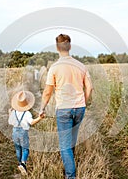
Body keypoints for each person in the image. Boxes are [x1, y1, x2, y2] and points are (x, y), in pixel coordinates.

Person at [40, 34, 93, 179]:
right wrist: (84, 102)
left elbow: (47, 92)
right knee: (72, 140)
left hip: (63, 109)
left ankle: (71, 176)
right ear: (70, 46)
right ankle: (70, 167)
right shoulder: (81, 66)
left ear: (57, 47)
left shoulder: (55, 68)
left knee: (64, 145)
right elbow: (89, 88)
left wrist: (42, 108)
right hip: (79, 108)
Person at [8, 90, 44, 175]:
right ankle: (23, 163)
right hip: (23, 132)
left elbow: (10, 122)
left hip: (14, 132)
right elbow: (31, 122)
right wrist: (40, 118)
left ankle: (20, 163)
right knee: (25, 149)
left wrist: (10, 113)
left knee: (18, 149)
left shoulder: (14, 112)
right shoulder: (27, 113)